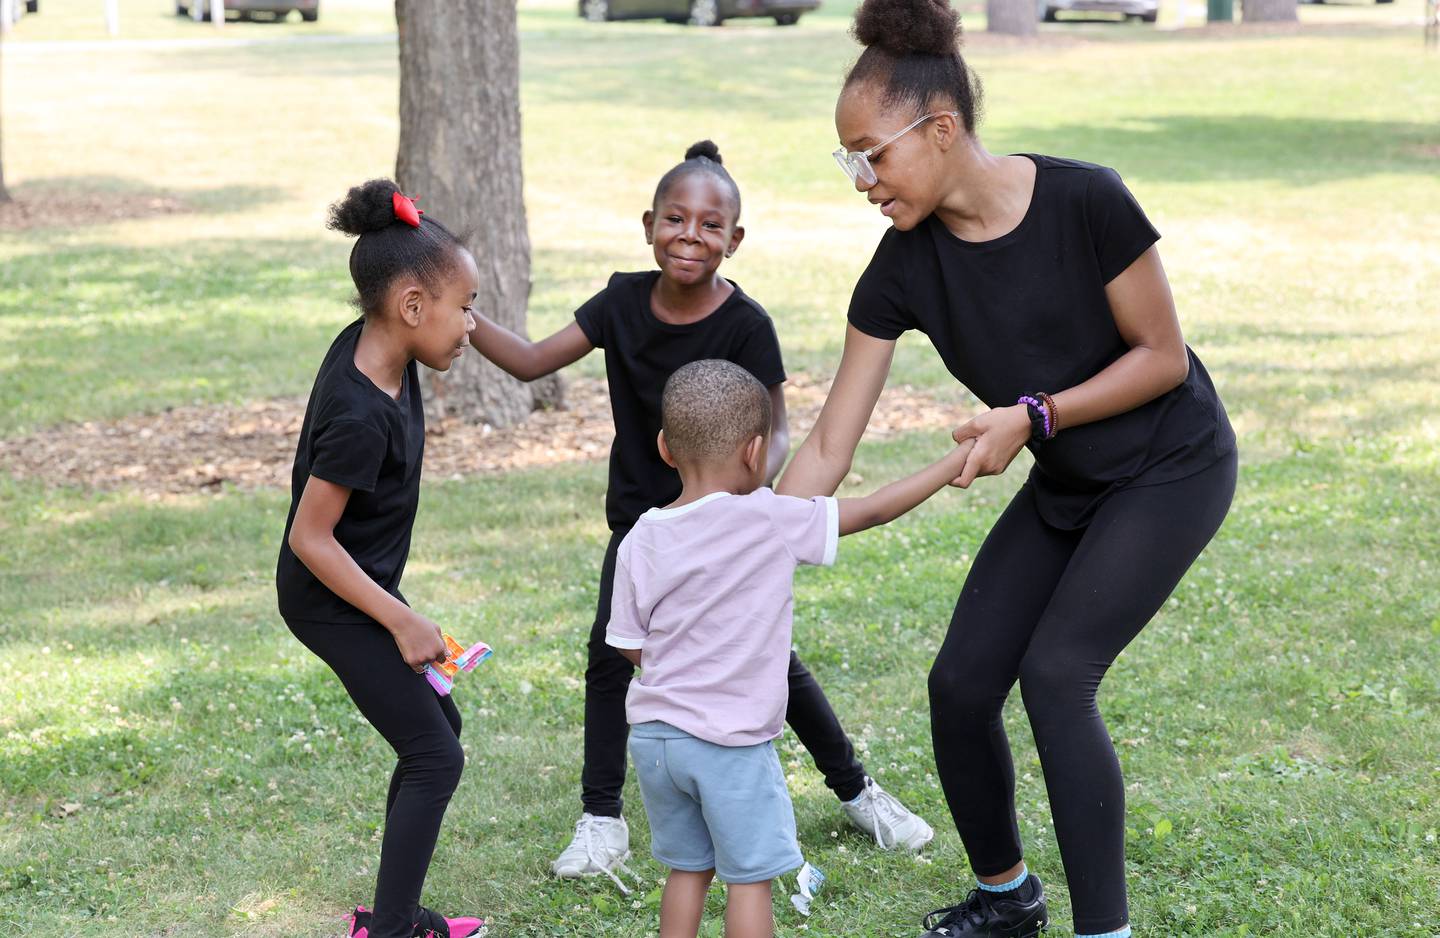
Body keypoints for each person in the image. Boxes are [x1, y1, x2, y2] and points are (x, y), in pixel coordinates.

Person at [776, 1, 1239, 934]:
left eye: (872, 153)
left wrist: (1035, 417)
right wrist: (741, 536)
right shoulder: (901, 267)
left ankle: (1102, 929)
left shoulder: (1085, 200)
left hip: (1170, 465)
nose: (861, 179)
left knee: (1058, 672)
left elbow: (1163, 358)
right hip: (1069, 482)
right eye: (849, 159)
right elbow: (830, 444)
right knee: (960, 686)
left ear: (940, 129)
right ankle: (1006, 896)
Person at [466, 141, 935, 888]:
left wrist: (751, 498)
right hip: (643, 525)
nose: (691, 235)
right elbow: (528, 361)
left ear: (734, 239)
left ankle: (856, 792)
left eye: (710, 225)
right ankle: (601, 820)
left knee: (771, 662)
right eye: (675, 219)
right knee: (608, 658)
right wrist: (461, 313)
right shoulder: (620, 302)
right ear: (649, 223)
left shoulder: (747, 323)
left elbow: (776, 426)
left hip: (727, 523)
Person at [609, 360, 975, 938]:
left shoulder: (641, 536)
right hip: (729, 747)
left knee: (687, 870)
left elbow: (630, 645)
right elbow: (873, 509)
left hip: (656, 740)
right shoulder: (768, 517)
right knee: (749, 881)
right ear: (756, 451)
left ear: (664, 447)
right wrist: (953, 463)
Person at [276, 179, 488, 938]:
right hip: (327, 600)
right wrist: (400, 620)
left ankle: (391, 918)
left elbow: (438, 310)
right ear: (408, 308)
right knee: (435, 756)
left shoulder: (386, 348)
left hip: (355, 588)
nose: (472, 323)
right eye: (465, 305)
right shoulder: (362, 413)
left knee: (439, 735)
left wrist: (456, 307)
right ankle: (392, 931)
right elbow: (310, 537)